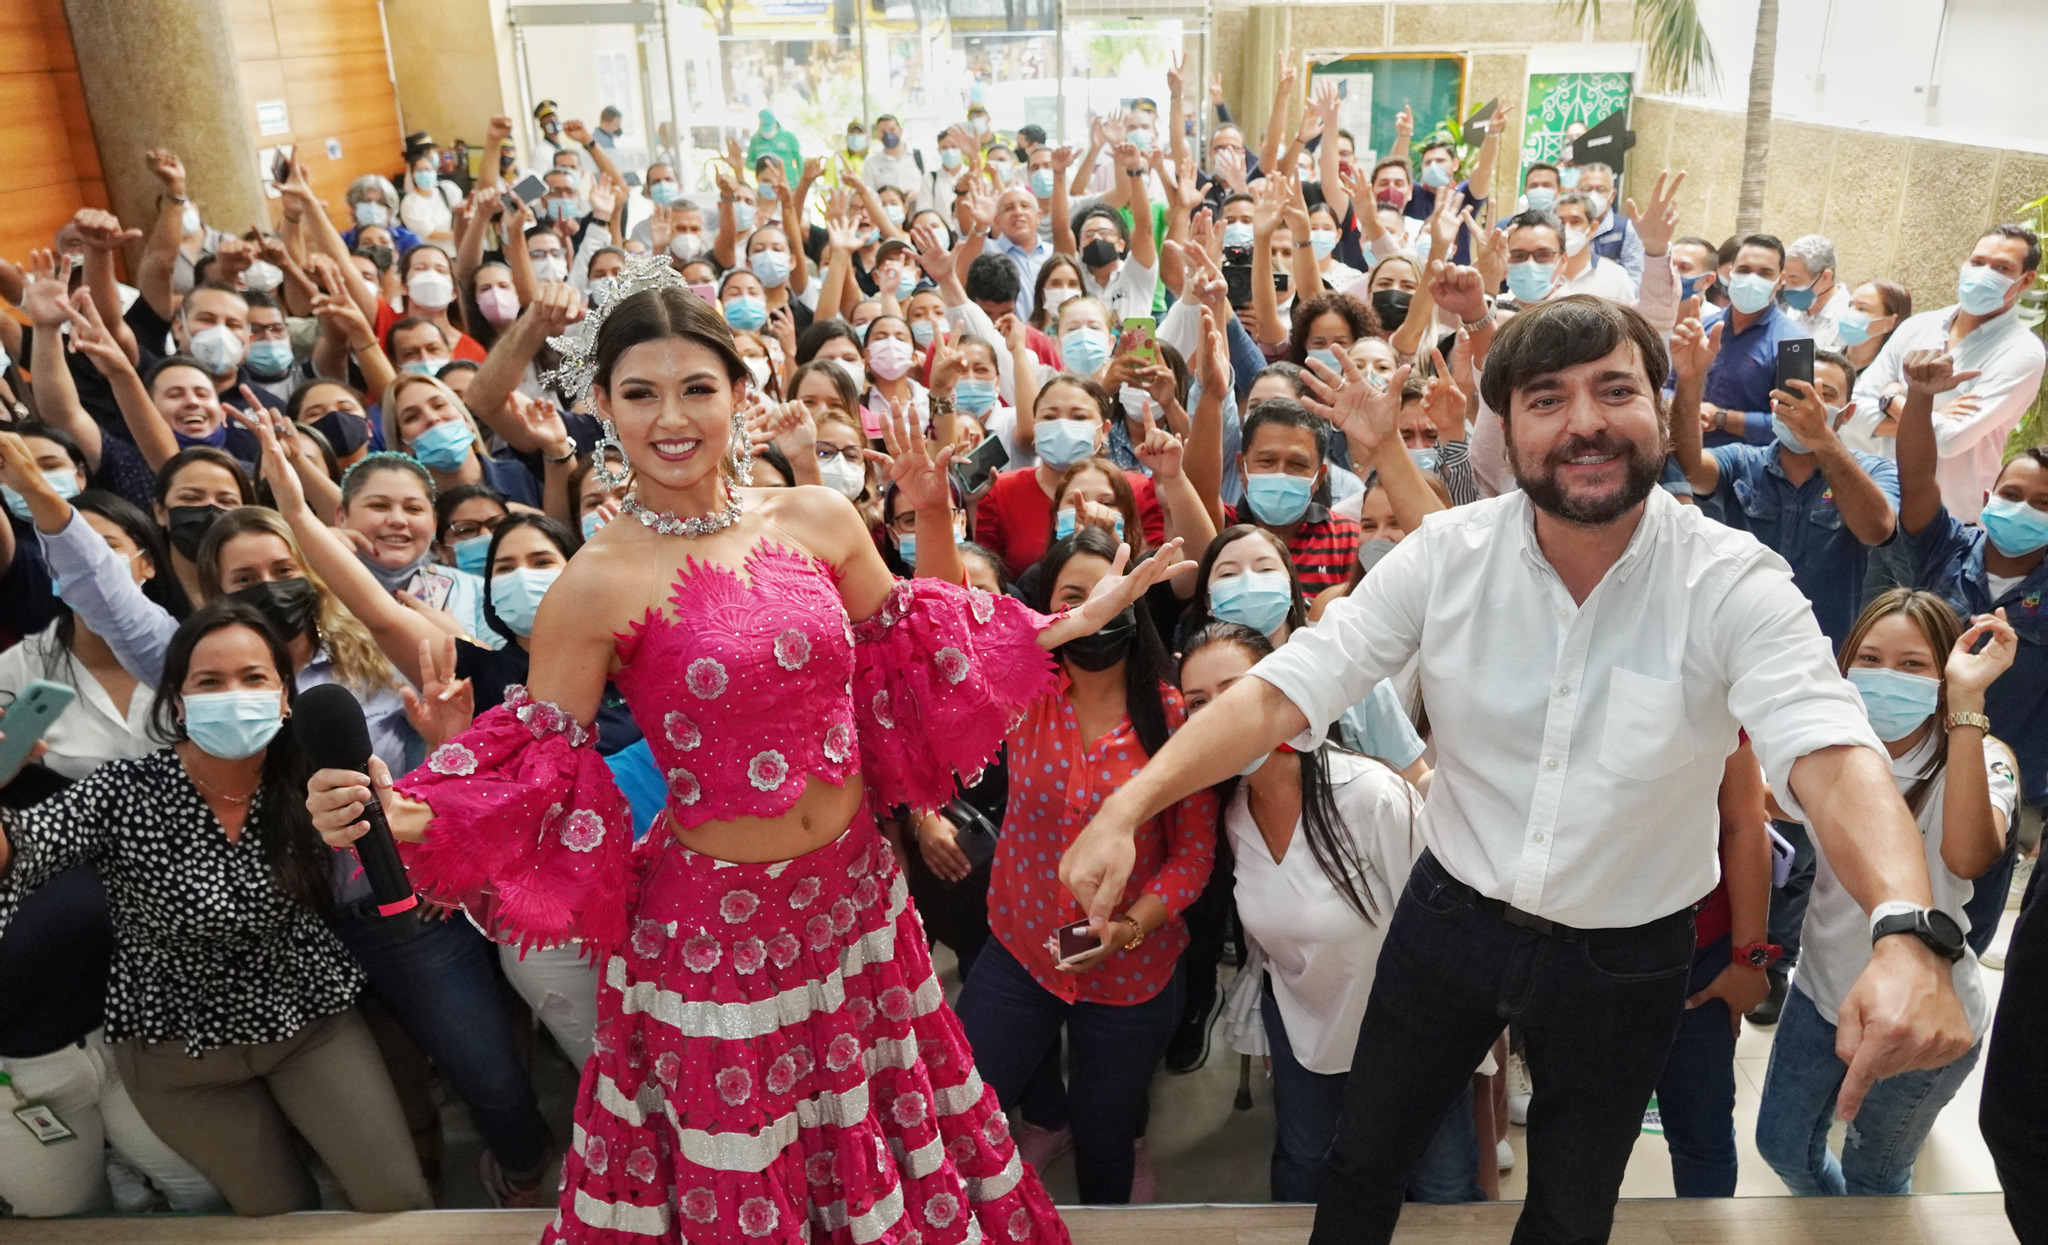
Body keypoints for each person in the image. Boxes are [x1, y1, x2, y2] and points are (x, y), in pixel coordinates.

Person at [1058, 297, 1976, 1245]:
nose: (1583, 421)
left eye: (1614, 389)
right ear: (1508, 426)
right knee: (1364, 1158)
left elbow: (1828, 747)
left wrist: (1906, 927)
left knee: (1572, 1207)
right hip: (1449, 920)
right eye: (1547, 399)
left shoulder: (1732, 580)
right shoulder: (1448, 555)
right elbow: (1286, 688)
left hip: (1629, 955)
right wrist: (1131, 802)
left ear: (1661, 411)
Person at [305, 258, 1182, 1243]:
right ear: (600, 405)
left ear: (739, 396)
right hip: (709, 940)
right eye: (638, 393)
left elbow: (904, 647)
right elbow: (541, 759)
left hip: (855, 903)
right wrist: (406, 812)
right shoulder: (592, 582)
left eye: (696, 388)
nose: (669, 417)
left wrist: (1052, 628)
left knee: (876, 1145)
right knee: (746, 1175)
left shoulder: (813, 517)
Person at [0, 600, 431, 1216]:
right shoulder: (121, 791)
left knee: (397, 1201)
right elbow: (25, 846)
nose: (233, 694)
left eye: (253, 678)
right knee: (272, 1216)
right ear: (178, 702)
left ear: (287, 697)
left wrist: (403, 795)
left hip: (307, 1019)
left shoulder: (315, 780)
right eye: (209, 681)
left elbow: (413, 827)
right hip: (178, 1053)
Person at [1182, 623, 1491, 1204]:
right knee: (1306, 1165)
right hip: (1305, 1029)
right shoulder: (1235, 817)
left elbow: (1449, 928)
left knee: (1440, 1182)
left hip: (1415, 1033)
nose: (1215, 716)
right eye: (1196, 703)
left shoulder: (1368, 796)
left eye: (1234, 691)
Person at [953, 525, 1214, 1205]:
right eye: (1078, 596)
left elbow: (1192, 858)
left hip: (1131, 973)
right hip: (1020, 953)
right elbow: (952, 654)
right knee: (964, 1109)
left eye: (1116, 594)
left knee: (1106, 1141)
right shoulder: (1021, 697)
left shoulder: (1177, 718)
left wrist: (1125, 929)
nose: (1099, 607)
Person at [1756, 590, 2015, 1195]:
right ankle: (1840, 1224)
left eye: (1913, 665)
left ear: (1945, 673)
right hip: (1820, 998)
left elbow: (1969, 855)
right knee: (1782, 1150)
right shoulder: (1826, 752)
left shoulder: (1980, 758)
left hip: (1927, 1016)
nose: (1885, 677)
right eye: (1868, 659)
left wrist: (1968, 704)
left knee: (1878, 1176)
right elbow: (1763, 800)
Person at [1891, 349, 2048, 955]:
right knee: (1888, 898)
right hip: (1910, 760)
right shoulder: (1945, 549)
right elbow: (1917, 478)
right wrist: (1922, 399)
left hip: (1998, 784)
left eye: (2043, 503)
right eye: (2012, 493)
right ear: (1988, 494)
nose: (2024, 509)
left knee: (1964, 925)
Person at [1847, 225, 2044, 522]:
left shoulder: (2022, 352)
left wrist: (1891, 398)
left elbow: (1950, 440)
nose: (1983, 274)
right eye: (1978, 263)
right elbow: (1855, 412)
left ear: (2025, 280)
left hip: (1945, 521)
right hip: (1878, 503)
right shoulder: (1918, 327)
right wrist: (1932, 411)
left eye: (2002, 268)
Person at [1699, 235, 1812, 447]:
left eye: (1764, 273)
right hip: (1683, 452)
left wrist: (1721, 418)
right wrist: (1681, 406)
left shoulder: (1794, 344)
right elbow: (1669, 385)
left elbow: (1794, 425)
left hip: (1747, 469)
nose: (1752, 279)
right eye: (1744, 270)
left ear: (1780, 281)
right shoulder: (1703, 326)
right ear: (1730, 273)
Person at [1780, 235, 1850, 350]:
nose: (1787, 288)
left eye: (1794, 280)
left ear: (1825, 277)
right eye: (1785, 280)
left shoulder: (1847, 320)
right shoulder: (1789, 311)